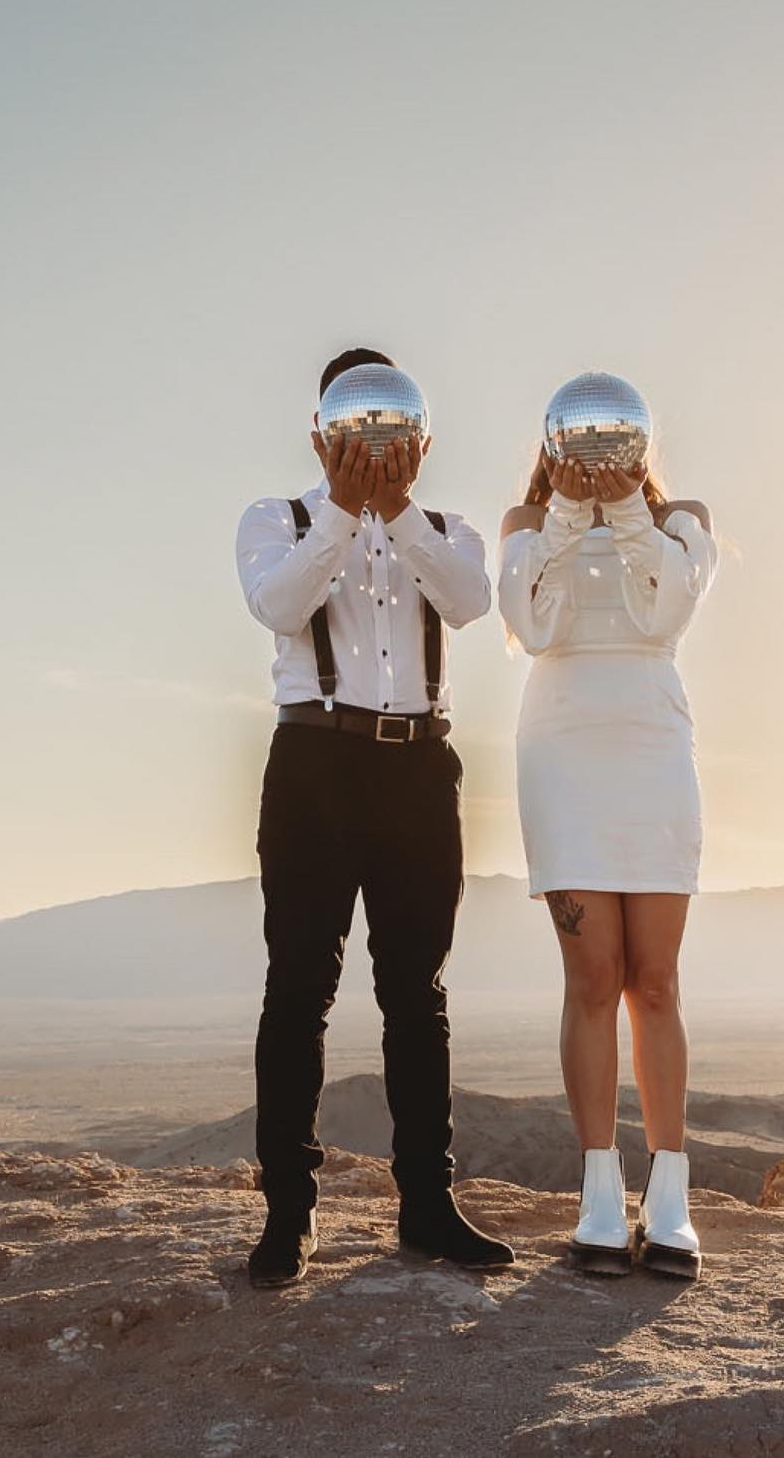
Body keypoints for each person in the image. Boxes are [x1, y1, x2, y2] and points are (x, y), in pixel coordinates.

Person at [236, 346, 514, 1287]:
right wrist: (348, 518)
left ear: (422, 439)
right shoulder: (277, 519)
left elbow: (472, 603)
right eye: (356, 426)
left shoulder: (450, 529)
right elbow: (278, 605)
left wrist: (394, 514)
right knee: (299, 989)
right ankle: (288, 1214)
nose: (376, 445)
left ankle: (427, 1209)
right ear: (321, 433)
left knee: (417, 993)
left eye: (395, 429)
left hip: (419, 768)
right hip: (314, 760)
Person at [498, 429, 718, 1279]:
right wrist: (559, 511)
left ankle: (670, 1197)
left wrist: (627, 507)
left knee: (655, 980)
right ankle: (598, 1190)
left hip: (652, 754)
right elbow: (529, 621)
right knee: (592, 977)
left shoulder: (683, 519)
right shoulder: (526, 519)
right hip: (563, 755)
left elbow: (666, 614)